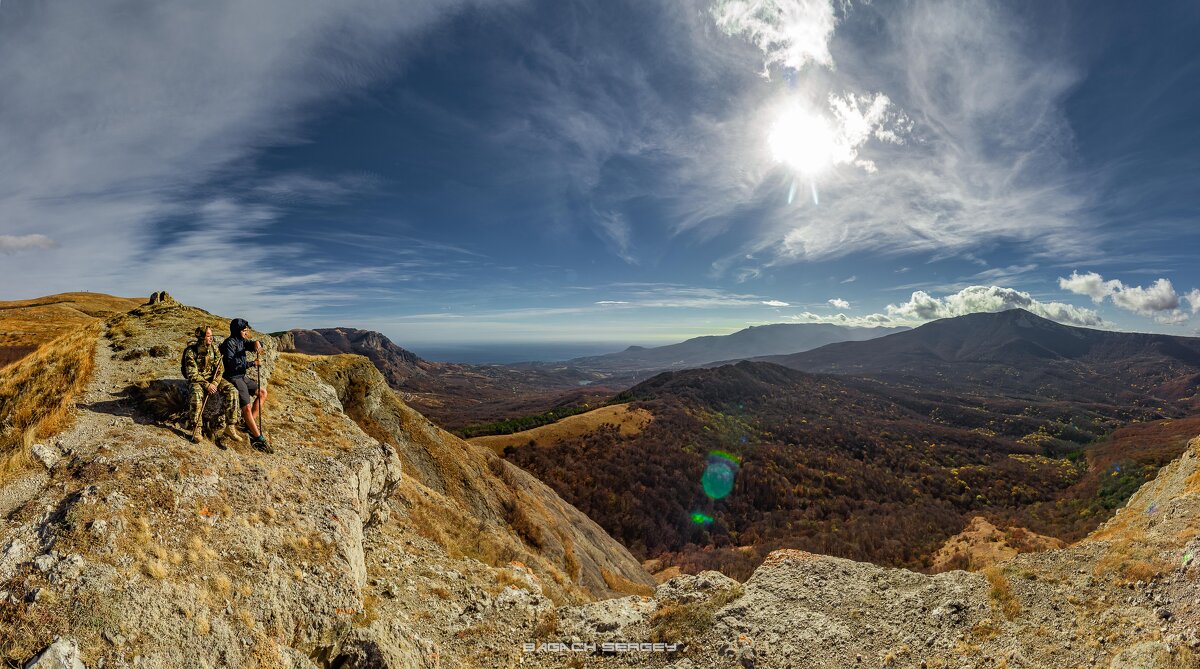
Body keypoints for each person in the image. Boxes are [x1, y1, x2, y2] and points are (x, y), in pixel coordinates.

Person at [219, 317, 273, 453]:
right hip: (233, 377)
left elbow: (251, 344)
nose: (246, 332)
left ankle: (248, 424)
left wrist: (257, 343)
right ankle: (257, 437)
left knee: (262, 393)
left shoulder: (241, 341)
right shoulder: (229, 344)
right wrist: (251, 364)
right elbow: (232, 364)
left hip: (242, 376)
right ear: (238, 331)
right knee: (247, 407)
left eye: (247, 330)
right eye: (244, 330)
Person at [181, 326, 239, 446]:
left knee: (232, 390)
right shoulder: (191, 352)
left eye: (211, 335)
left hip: (213, 380)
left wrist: (215, 383)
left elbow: (220, 369)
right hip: (198, 380)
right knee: (196, 394)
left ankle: (230, 426)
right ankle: (197, 428)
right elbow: (192, 374)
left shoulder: (214, 349)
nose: (211, 338)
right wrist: (207, 385)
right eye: (208, 336)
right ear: (202, 337)